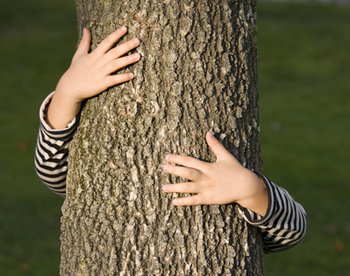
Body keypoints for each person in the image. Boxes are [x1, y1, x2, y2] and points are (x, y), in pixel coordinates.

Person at [35, 26, 306, 254]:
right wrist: (67, 93)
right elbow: (56, 173)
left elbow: (291, 231)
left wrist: (251, 190)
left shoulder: (225, 190)